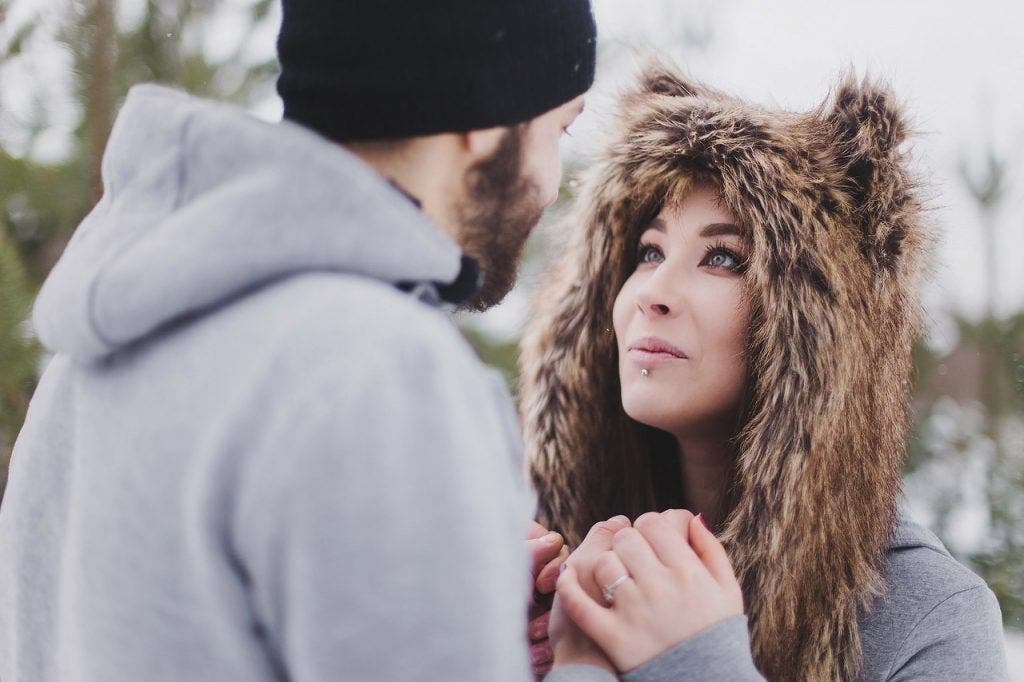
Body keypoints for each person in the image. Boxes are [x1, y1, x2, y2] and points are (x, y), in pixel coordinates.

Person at [0, 2, 603, 680]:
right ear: (489, 118)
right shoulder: (383, 368)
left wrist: (457, 612)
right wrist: (596, 663)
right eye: (561, 127)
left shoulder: (85, 357)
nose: (553, 184)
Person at [520, 62, 1010, 680]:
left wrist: (695, 663)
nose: (653, 292)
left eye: (722, 258)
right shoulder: (554, 574)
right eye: (649, 252)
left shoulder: (930, 616)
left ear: (821, 329)